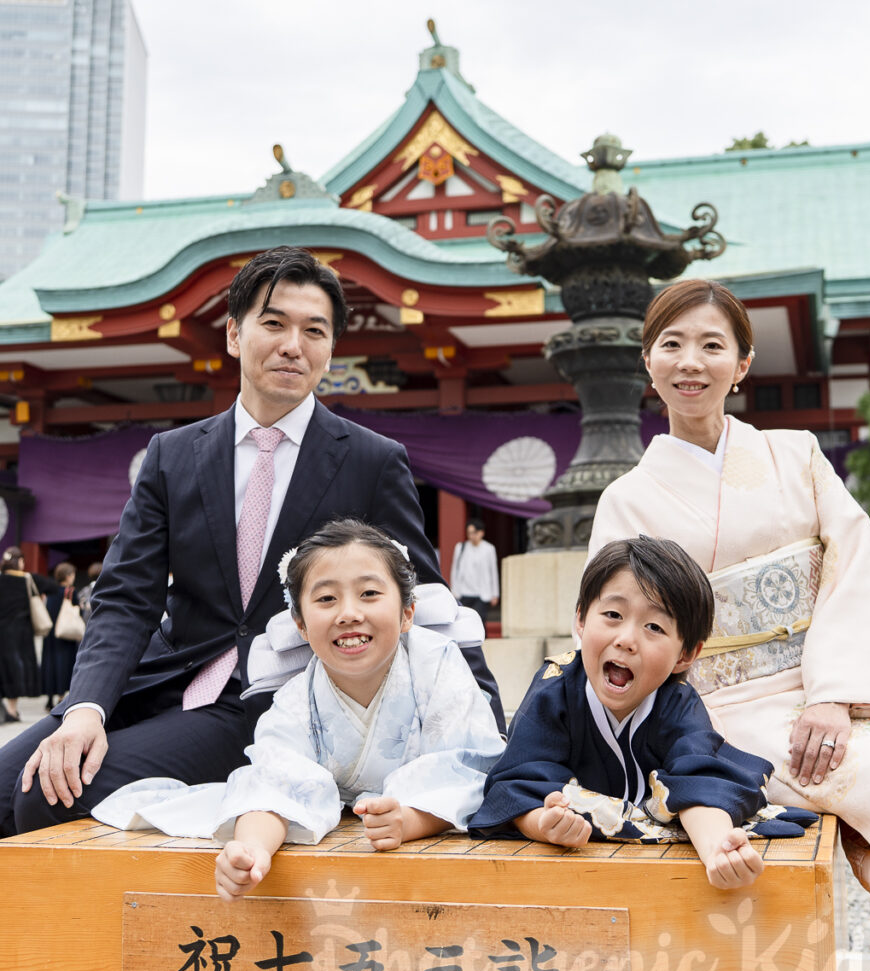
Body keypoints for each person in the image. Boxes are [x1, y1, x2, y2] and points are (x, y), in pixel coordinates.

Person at [0, 245, 504, 838]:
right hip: (162, 680)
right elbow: (125, 596)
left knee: (52, 793)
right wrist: (85, 708)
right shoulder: (173, 455)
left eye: (314, 330)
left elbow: (422, 599)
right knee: (10, 780)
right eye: (274, 324)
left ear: (330, 347)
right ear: (236, 336)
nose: (294, 345)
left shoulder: (371, 461)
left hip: (271, 704)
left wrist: (489, 726)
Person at [589, 277, 870, 971]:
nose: (691, 362)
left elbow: (849, 565)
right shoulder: (626, 499)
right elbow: (616, 626)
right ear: (647, 362)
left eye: (712, 345)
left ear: (741, 363)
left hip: (826, 688)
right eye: (672, 345)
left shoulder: (796, 454)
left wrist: (832, 693)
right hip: (713, 708)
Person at [92, 519, 505, 901]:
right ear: (302, 625)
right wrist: (251, 847)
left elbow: (469, 766)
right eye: (326, 598)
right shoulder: (296, 699)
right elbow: (275, 783)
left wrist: (414, 819)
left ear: (407, 613)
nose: (349, 613)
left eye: (370, 594)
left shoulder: (437, 666)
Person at [469, 536, 814, 889]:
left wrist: (717, 849)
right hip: (567, 869)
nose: (626, 639)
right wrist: (542, 823)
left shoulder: (677, 703)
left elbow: (701, 783)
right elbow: (515, 784)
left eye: (654, 627)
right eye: (613, 615)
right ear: (581, 620)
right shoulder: (553, 688)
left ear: (686, 654)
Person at [0, 546, 40, 723]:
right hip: (21, 632)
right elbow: (54, 587)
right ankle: (12, 709)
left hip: (2, 630)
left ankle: (7, 710)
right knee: (15, 669)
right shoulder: (26, 580)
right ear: (19, 562)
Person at [40, 562, 80, 711]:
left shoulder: (50, 591)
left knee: (49, 663)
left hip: (50, 634)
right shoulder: (70, 592)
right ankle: (61, 697)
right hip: (65, 634)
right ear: (68, 576)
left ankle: (49, 698)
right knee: (63, 664)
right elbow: (77, 613)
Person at [450, 518, 499, 625]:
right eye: (469, 533)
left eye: (474, 533)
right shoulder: (461, 547)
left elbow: (493, 571)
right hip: (464, 592)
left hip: (482, 593)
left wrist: (495, 594)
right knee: (464, 621)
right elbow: (455, 569)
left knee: (480, 620)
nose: (472, 536)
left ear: (481, 532)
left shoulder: (489, 548)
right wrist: (454, 590)